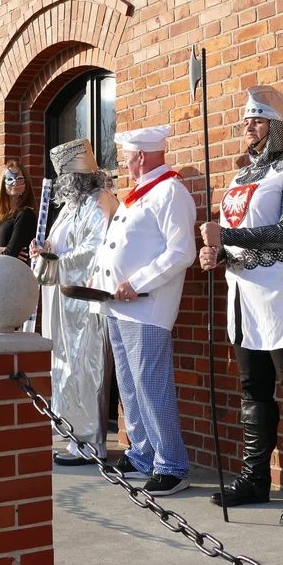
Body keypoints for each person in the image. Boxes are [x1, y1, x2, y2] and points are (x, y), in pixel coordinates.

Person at [198, 86, 283, 527]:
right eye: (245, 120)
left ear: (279, 125)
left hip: (282, 286)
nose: (248, 126)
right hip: (243, 291)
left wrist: (225, 238)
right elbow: (227, 233)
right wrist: (214, 253)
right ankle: (255, 478)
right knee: (253, 386)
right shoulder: (239, 177)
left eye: (257, 119)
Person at [91, 124, 196, 496]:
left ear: (141, 156)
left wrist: (138, 282)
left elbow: (182, 251)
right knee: (131, 386)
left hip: (146, 305)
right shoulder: (140, 194)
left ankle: (172, 464)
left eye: (128, 156)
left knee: (151, 386)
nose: (125, 163)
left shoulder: (170, 192)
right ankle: (141, 452)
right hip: (118, 305)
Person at [30, 139, 117, 465]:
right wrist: (42, 249)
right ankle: (71, 434)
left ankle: (90, 442)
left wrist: (55, 257)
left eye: (65, 176)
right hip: (61, 298)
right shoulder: (70, 205)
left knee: (86, 366)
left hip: (83, 297)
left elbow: (96, 248)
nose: (61, 183)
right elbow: (58, 244)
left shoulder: (99, 201)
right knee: (65, 366)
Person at [0, 160, 37, 261]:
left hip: (15, 274)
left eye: (20, 178)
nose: (15, 182)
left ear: (26, 184)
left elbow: (10, 254)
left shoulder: (25, 214)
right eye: (9, 179)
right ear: (3, 184)